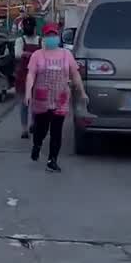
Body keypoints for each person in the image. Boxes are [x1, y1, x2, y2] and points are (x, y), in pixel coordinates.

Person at [25, 22, 87, 172]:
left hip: (61, 98)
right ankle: (37, 145)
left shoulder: (66, 55)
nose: (52, 37)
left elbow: (75, 74)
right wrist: (28, 92)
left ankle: (52, 160)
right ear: (44, 37)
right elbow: (31, 74)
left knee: (57, 130)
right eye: (49, 35)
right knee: (41, 128)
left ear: (58, 36)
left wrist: (82, 92)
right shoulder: (37, 55)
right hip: (42, 98)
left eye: (54, 35)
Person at [14, 15, 40, 139]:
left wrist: (27, 54)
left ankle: (33, 123)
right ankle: (24, 129)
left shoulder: (41, 40)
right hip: (23, 76)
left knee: (35, 103)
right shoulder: (20, 40)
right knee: (25, 103)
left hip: (37, 75)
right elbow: (17, 54)